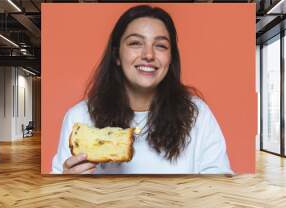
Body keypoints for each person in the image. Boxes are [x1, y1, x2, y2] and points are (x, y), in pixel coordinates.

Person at [52, 5, 232, 174]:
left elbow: (220, 184)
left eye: (160, 45)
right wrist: (67, 185)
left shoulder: (197, 115)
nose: (148, 55)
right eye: (135, 43)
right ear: (117, 56)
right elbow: (57, 197)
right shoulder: (80, 117)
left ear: (170, 59)